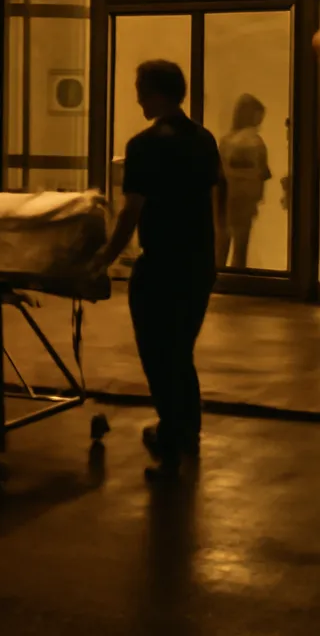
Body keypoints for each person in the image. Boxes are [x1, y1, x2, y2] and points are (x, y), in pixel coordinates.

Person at [90, 60, 226, 480]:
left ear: (155, 92)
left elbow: (133, 209)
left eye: (139, 89)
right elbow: (216, 195)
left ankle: (171, 441)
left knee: (157, 352)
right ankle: (186, 430)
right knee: (180, 349)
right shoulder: (203, 139)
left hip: (162, 262)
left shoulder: (145, 145)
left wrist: (105, 257)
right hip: (198, 262)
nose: (136, 97)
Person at [217, 94, 271, 269]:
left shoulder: (226, 141)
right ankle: (238, 281)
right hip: (245, 200)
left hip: (225, 199)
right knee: (240, 249)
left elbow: (219, 172)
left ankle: (219, 280)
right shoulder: (256, 141)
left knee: (221, 246)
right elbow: (263, 172)